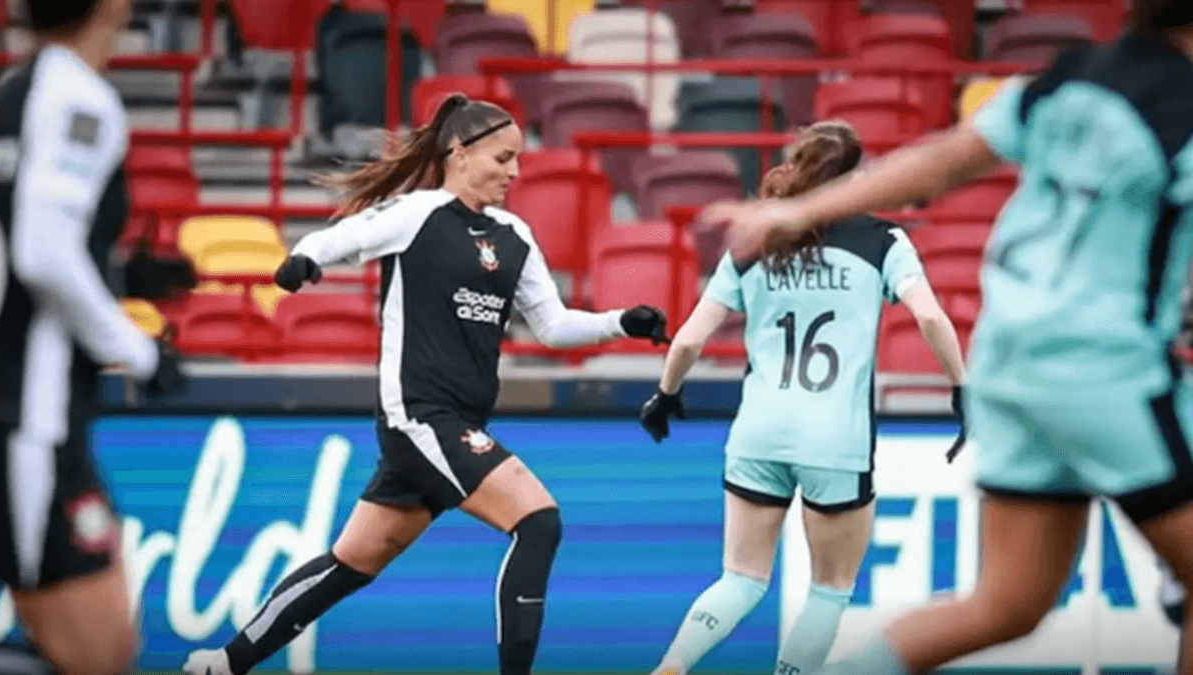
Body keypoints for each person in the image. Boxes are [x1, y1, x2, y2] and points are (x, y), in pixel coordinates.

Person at [704, 1, 1193, 672]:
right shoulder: (1183, 108)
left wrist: (799, 211)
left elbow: (943, 161)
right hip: (1104, 368)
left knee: (1007, 604)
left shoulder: (1062, 80)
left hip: (1008, 362)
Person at [182, 94, 669, 675]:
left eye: (518, 159)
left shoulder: (514, 234)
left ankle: (222, 664)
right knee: (539, 521)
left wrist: (620, 322)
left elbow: (552, 324)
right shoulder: (416, 213)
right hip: (418, 417)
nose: (515, 171)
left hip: (455, 423)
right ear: (459, 154)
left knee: (353, 562)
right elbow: (345, 235)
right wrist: (305, 259)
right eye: (502, 158)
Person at [638, 121, 967, 675]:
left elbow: (690, 338)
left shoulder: (756, 241)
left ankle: (671, 666)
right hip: (835, 440)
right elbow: (931, 317)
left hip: (758, 433)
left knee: (740, 580)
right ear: (854, 179)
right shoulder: (883, 241)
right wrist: (961, 387)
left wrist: (665, 395)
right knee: (830, 590)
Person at [0, 1, 186, 675]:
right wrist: (139, 351)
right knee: (100, 656)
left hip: (13, 409)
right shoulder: (78, 96)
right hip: (31, 418)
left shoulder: (11, 95)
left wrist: (120, 272)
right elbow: (43, 252)